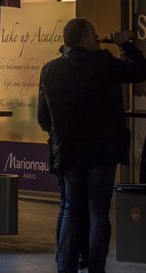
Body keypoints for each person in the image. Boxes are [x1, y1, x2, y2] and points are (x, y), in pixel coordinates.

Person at [37, 18, 146, 273]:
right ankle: (96, 268)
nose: (98, 37)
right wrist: (126, 45)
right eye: (94, 33)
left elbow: (43, 117)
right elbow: (141, 71)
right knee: (98, 213)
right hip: (101, 153)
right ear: (84, 39)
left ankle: (66, 267)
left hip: (69, 153)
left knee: (71, 210)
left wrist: (59, 133)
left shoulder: (50, 69)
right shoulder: (104, 63)